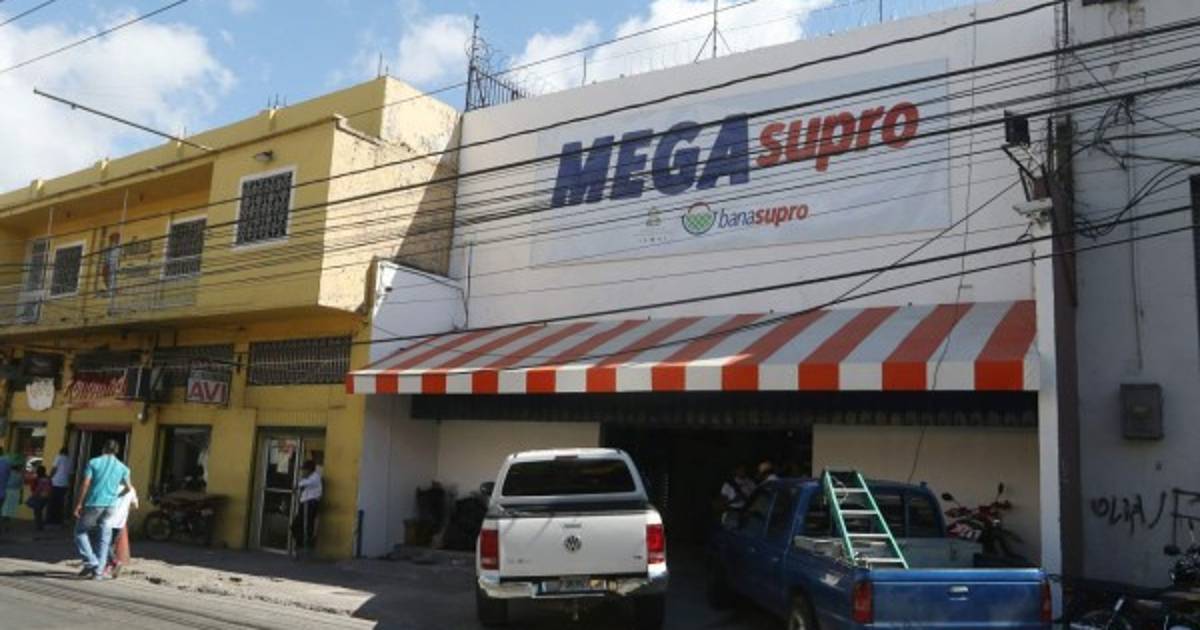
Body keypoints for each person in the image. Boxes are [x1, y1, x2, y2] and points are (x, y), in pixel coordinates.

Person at [73, 439, 131, 581]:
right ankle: (99, 572)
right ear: (117, 451)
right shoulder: (123, 467)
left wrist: (79, 503)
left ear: (104, 448)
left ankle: (92, 561)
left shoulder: (94, 462)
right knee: (104, 538)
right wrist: (117, 496)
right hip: (111, 506)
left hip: (94, 503)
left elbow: (86, 483)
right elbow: (128, 488)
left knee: (80, 532)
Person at [103, 482, 138, 579]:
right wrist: (125, 509)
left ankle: (114, 562)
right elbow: (135, 505)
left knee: (104, 544)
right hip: (120, 522)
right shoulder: (132, 489)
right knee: (110, 545)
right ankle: (108, 568)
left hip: (109, 520)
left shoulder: (112, 486)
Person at [291, 460, 321, 556]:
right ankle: (300, 544)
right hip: (305, 503)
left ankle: (306, 545)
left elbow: (307, 483)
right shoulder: (307, 478)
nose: (303, 472)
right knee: (295, 525)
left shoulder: (315, 477)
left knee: (306, 525)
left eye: (304, 469)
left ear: (309, 470)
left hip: (310, 503)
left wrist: (297, 485)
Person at [48, 447, 72, 526]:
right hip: (65, 484)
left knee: (52, 502)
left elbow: (54, 469)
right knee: (60, 503)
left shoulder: (58, 457)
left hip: (56, 482)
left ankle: (51, 520)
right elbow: (70, 474)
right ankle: (58, 520)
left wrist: (49, 477)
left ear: (60, 452)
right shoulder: (69, 460)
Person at [26, 465, 52, 531]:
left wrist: (33, 496)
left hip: (40, 496)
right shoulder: (48, 478)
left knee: (37, 512)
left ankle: (39, 526)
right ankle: (40, 525)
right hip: (46, 497)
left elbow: (38, 489)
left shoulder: (41, 479)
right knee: (39, 511)